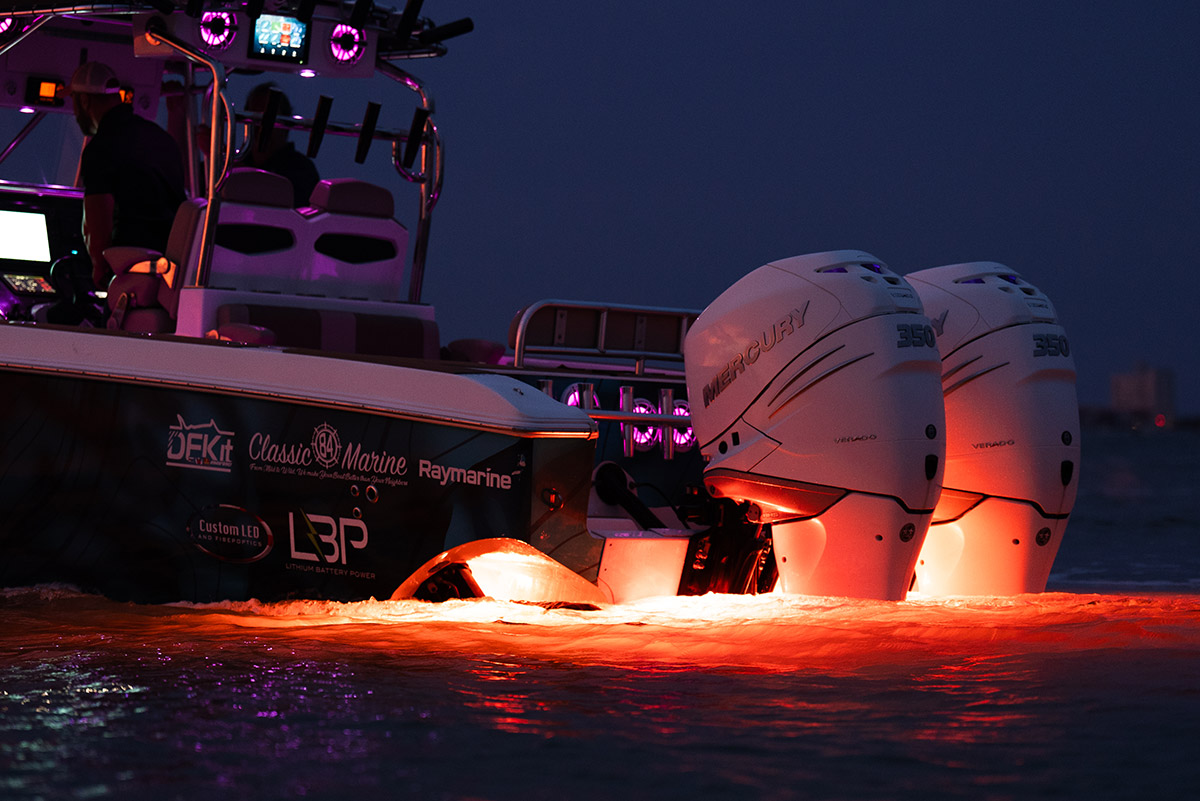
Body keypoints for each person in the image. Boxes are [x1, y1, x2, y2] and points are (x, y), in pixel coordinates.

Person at [49, 61, 186, 324]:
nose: (75, 112)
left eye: (75, 102)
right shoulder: (161, 139)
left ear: (85, 102)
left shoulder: (101, 148)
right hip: (170, 276)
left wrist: (99, 273)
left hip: (130, 272)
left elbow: (97, 229)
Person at [238, 83, 320, 207]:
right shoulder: (237, 162)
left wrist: (234, 173)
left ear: (286, 124)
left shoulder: (301, 169)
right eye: (254, 116)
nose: (260, 125)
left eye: (269, 117)